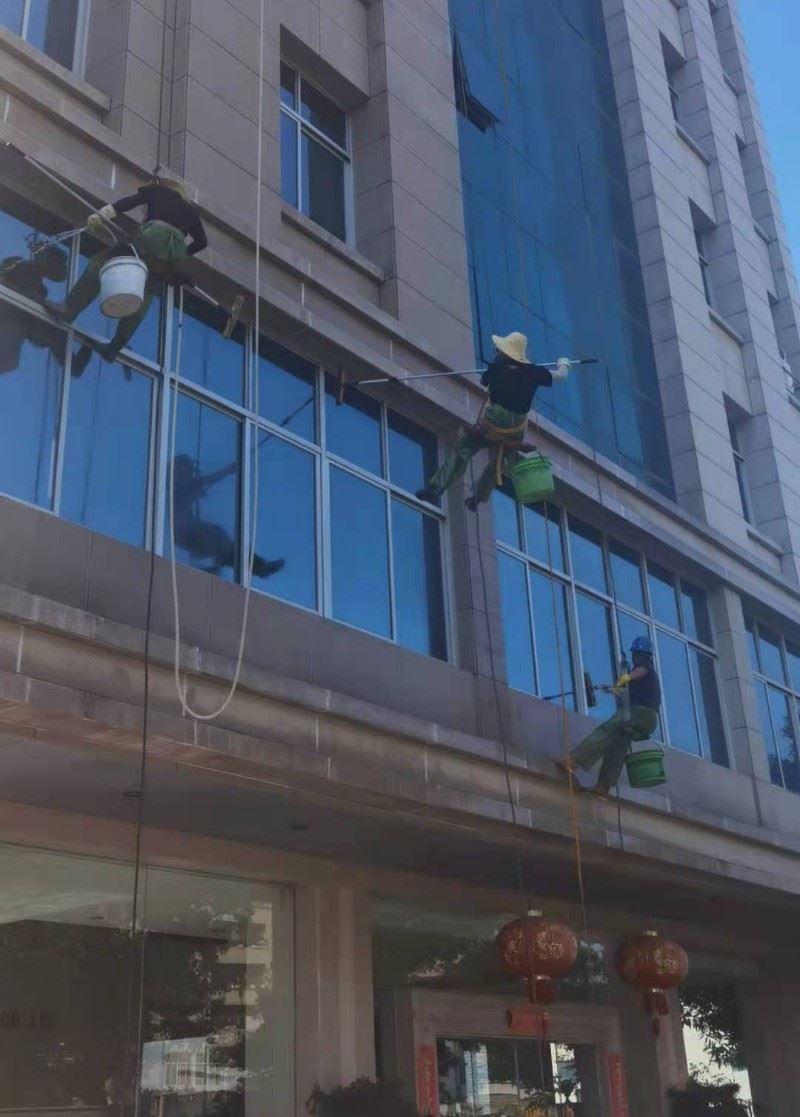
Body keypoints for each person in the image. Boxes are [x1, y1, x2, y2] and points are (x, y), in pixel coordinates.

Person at [43, 173, 207, 377]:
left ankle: (69, 308)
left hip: (151, 237)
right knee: (143, 294)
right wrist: (180, 255)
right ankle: (114, 347)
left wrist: (101, 215)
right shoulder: (191, 213)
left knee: (102, 262)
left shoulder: (157, 191)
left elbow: (127, 203)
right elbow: (202, 242)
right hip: (171, 255)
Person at [415, 331, 571, 509]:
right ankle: (478, 498)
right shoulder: (535, 372)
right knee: (498, 462)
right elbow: (561, 376)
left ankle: (436, 487)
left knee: (463, 450)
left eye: (499, 351)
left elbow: (484, 382)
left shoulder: (497, 368)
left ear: (507, 352)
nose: (497, 353)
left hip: (494, 420)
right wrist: (564, 363)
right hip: (516, 427)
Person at [557, 636, 661, 798]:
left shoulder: (644, 666)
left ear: (641, 654)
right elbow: (627, 694)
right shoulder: (645, 682)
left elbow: (640, 671)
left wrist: (627, 677)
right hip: (647, 719)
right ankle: (603, 787)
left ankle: (573, 761)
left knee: (606, 730)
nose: (634, 657)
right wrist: (612, 689)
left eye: (635, 654)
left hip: (641, 713)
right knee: (618, 743)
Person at [171, 454, 284, 580]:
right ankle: (256, 566)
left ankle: (216, 567)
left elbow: (201, 483)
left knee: (221, 541)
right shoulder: (178, 485)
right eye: (188, 470)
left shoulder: (180, 485)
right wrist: (227, 470)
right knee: (220, 540)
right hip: (185, 532)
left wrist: (227, 471)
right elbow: (203, 482)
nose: (191, 474)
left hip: (187, 532)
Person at [0, 244, 68, 373]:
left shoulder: (39, 288)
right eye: (53, 263)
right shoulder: (18, 265)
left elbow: (37, 331)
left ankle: (69, 362)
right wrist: (46, 305)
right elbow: (13, 291)